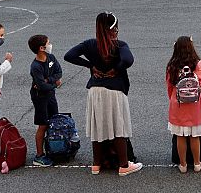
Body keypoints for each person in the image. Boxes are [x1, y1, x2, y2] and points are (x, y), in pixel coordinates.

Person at [63, 13, 143, 176]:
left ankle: (96, 164)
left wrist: (90, 66)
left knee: (98, 126)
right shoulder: (119, 45)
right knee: (118, 127)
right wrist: (116, 69)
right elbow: (128, 60)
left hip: (95, 90)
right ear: (114, 28)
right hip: (114, 90)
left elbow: (69, 55)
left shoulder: (90, 44)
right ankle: (123, 164)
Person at [166, 36, 201, 174]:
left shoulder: (172, 65)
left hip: (178, 104)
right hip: (195, 105)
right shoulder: (199, 64)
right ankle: (197, 163)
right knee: (194, 136)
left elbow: (169, 85)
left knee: (180, 136)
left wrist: (173, 98)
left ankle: (183, 164)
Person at [28, 34, 62, 167]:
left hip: (50, 95)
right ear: (42, 48)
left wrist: (48, 80)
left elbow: (58, 72)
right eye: (48, 43)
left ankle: (53, 148)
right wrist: (55, 84)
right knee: (43, 124)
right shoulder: (35, 66)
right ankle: (39, 156)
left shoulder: (51, 57)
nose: (50, 45)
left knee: (54, 120)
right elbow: (41, 86)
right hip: (40, 97)